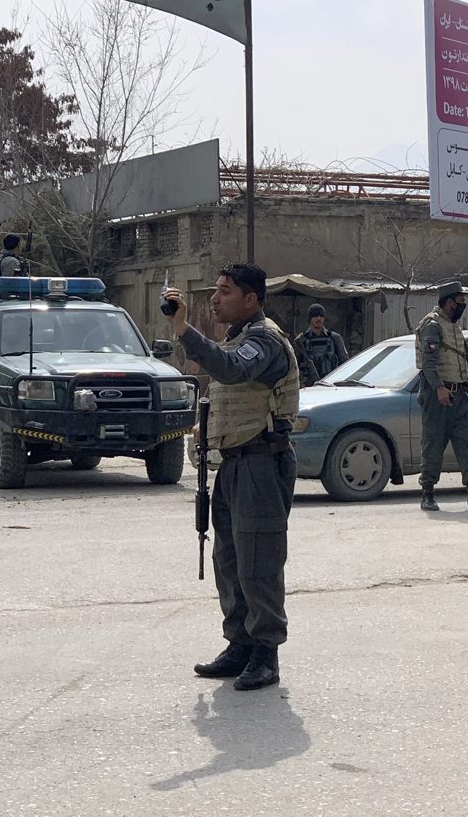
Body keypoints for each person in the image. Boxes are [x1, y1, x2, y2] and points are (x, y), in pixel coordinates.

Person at [164, 264, 300, 691]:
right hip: (235, 462)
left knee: (258, 562)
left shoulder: (263, 340)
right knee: (230, 561)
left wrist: (184, 328)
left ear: (251, 299)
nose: (215, 299)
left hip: (262, 463)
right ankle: (240, 643)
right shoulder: (239, 338)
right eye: (215, 291)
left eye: (225, 291)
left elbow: (232, 370)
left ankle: (266, 652)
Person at [415, 280, 468, 512]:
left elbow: (457, 357)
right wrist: (440, 388)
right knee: (432, 443)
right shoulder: (433, 325)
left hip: (459, 393)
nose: (464, 305)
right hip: (437, 395)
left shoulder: (453, 326)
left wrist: (466, 379)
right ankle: (427, 494)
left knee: (467, 444)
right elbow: (429, 364)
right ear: (449, 302)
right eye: (460, 300)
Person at [295, 303, 349, 385]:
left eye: (321, 316)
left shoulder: (335, 338)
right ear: (310, 319)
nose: (318, 318)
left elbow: (345, 364)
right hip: (308, 386)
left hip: (331, 385)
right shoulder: (301, 340)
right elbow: (294, 366)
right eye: (315, 316)